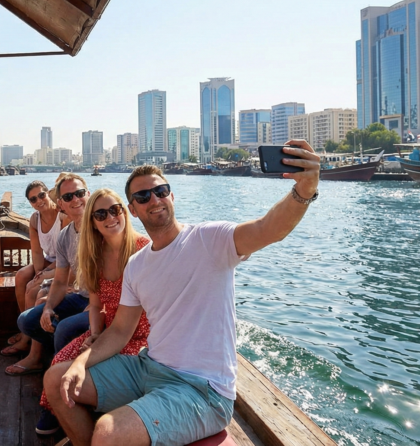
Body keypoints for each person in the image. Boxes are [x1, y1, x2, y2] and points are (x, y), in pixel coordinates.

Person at [46, 143, 321, 446]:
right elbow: (120, 330)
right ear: (134, 210)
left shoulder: (209, 239)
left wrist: (304, 191)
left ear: (172, 196)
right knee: (55, 380)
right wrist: (80, 363)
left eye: (161, 191)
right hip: (148, 367)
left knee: (109, 432)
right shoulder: (137, 265)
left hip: (201, 389)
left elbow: (268, 229)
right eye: (142, 196)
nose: (154, 199)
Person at [34, 188, 151, 436]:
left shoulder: (144, 249)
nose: (110, 218)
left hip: (141, 337)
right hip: (108, 331)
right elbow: (97, 305)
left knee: (82, 368)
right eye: (100, 214)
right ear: (93, 223)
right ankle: (70, 420)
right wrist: (95, 333)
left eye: (115, 210)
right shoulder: (95, 255)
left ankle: (87, 420)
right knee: (59, 360)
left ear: (125, 212)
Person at [8, 173, 92, 376]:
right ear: (61, 201)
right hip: (73, 285)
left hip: (92, 299)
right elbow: (43, 257)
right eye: (32, 199)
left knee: (42, 300)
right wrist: (47, 300)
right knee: (27, 310)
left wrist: (48, 284)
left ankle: (48, 361)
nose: (75, 200)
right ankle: (32, 341)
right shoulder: (65, 233)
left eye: (79, 194)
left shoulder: (96, 227)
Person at [2, 181, 68, 358]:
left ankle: (27, 339)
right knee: (22, 276)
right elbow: (37, 252)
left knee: (32, 290)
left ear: (48, 194)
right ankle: (25, 329)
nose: (39, 201)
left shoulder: (62, 216)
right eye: (33, 199)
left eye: (41, 195)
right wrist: (39, 273)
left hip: (63, 262)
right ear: (30, 203)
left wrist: (41, 278)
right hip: (48, 261)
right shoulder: (34, 219)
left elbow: (65, 254)